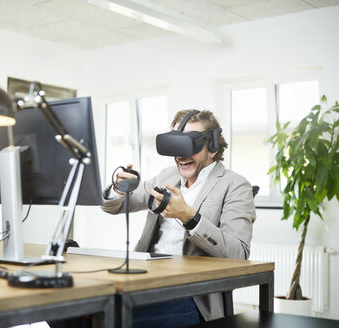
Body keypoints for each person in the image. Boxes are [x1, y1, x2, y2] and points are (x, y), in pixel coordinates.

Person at [101, 109, 256, 327]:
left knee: (112, 319)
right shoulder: (166, 176)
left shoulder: (235, 185)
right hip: (145, 282)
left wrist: (189, 217)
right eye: (175, 145)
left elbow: (238, 254)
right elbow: (114, 207)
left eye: (189, 145)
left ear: (212, 148)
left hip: (193, 295)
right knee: (74, 311)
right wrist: (119, 188)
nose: (181, 155)